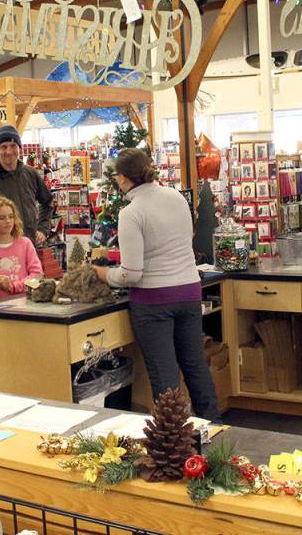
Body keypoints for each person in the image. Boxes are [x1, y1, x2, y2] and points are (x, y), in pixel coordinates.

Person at [92, 148, 220, 421]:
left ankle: (175, 439)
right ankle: (215, 427)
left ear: (124, 179)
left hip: (153, 302)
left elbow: (132, 274)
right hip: (188, 291)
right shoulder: (176, 198)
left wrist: (103, 274)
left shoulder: (131, 213)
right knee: (195, 364)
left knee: (165, 375)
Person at [0, 196, 43, 301]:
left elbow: (37, 275)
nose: (8, 221)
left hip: (23, 306)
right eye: (1, 218)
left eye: (11, 217)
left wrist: (14, 286)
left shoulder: (25, 244)